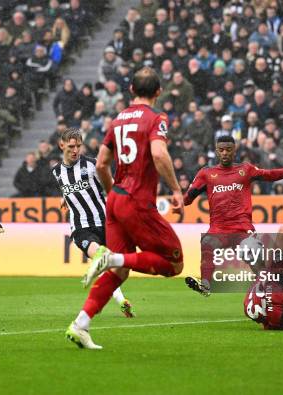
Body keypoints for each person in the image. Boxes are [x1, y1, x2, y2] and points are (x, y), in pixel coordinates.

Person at [66, 68, 184, 349]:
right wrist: (176, 189)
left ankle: (80, 324)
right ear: (158, 92)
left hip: (116, 199)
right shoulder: (157, 118)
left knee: (118, 275)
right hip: (137, 201)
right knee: (173, 263)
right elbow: (158, 153)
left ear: (131, 89)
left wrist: (113, 197)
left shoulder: (118, 120)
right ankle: (113, 258)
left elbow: (101, 164)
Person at [182, 135, 283, 296]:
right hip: (218, 229)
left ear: (234, 150)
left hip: (242, 229)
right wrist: (192, 194)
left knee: (252, 253)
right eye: (221, 150)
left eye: (228, 150)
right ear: (216, 151)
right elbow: (186, 201)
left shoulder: (245, 170)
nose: (225, 153)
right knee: (207, 243)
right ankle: (205, 285)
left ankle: (268, 290)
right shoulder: (206, 173)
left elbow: (271, 174)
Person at [52, 128, 134, 318]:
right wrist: (65, 197)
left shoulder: (93, 165)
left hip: (104, 222)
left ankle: (121, 300)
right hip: (80, 227)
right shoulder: (56, 172)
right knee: (100, 256)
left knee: (112, 267)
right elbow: (67, 187)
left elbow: (111, 187)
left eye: (78, 146)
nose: (75, 150)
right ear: (61, 145)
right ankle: (120, 300)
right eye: (71, 146)